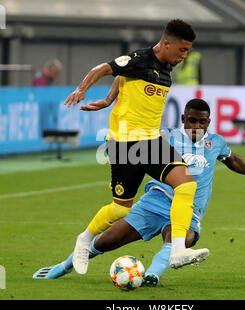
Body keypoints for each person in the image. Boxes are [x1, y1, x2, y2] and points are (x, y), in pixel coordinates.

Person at [33, 98, 245, 286]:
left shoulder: (216, 142)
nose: (197, 127)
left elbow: (232, 160)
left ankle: (151, 275)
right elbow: (135, 147)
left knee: (181, 238)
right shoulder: (165, 137)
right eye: (192, 120)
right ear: (183, 118)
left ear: (208, 122)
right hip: (154, 202)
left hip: (189, 210)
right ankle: (64, 266)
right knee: (107, 240)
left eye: (202, 122)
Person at [63, 19, 205, 274]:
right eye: (182, 50)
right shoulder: (140, 58)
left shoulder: (166, 68)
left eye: (188, 51)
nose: (185, 56)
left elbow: (122, 78)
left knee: (186, 184)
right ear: (167, 43)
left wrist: (109, 99)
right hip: (125, 144)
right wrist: (83, 89)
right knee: (120, 208)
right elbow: (105, 69)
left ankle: (177, 250)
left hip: (151, 141)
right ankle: (84, 239)